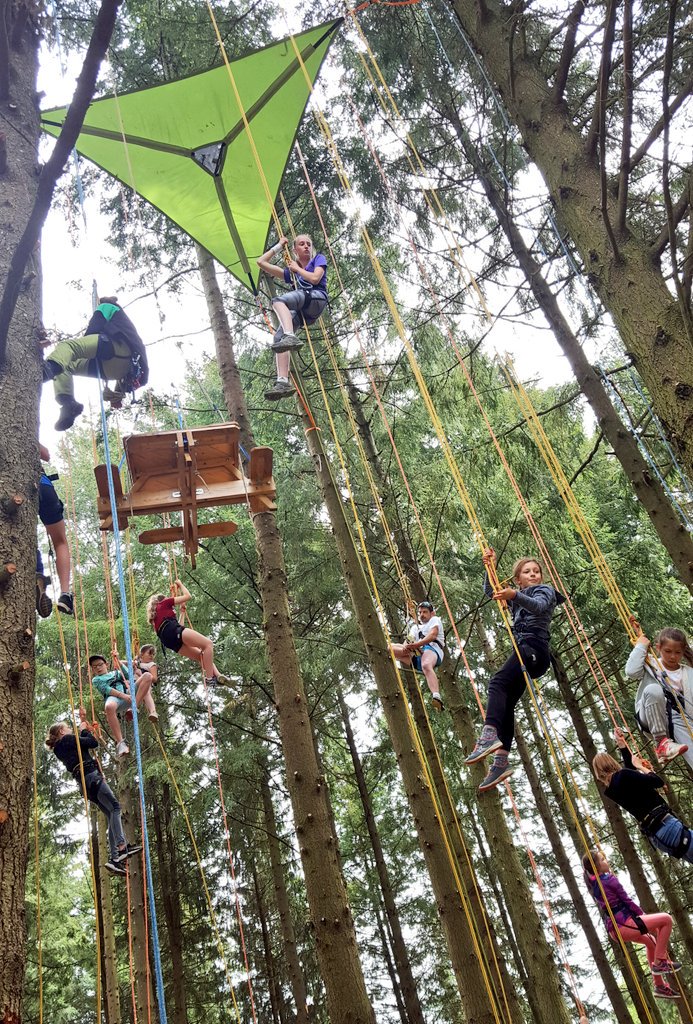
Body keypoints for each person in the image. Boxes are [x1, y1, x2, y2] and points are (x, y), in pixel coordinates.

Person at [465, 548, 565, 792]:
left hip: (534, 648)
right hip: (527, 653)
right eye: (526, 572)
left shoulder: (545, 591)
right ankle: (500, 761)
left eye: (536, 571)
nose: (533, 575)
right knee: (506, 701)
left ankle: (489, 734)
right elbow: (491, 592)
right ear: (518, 579)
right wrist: (490, 567)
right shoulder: (517, 595)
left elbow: (539, 607)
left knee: (497, 683)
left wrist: (514, 595)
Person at [46, 720, 142, 875]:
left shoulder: (59, 749)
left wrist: (83, 728)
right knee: (115, 808)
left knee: (111, 813)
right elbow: (92, 743)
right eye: (68, 728)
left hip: (85, 785)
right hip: (91, 776)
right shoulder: (68, 739)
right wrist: (84, 730)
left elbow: (84, 746)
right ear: (62, 732)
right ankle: (121, 847)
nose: (71, 729)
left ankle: (115, 859)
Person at [582, 848, 681, 999]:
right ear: (596, 867)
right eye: (602, 860)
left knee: (651, 941)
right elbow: (626, 900)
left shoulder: (594, 884)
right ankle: (660, 961)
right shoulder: (609, 881)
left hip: (615, 929)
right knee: (666, 919)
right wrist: (642, 915)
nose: (606, 861)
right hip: (624, 924)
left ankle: (659, 985)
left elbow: (594, 877)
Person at [42, 296, 149, 430]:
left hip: (116, 350)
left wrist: (84, 348)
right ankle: (68, 404)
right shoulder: (124, 322)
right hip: (118, 368)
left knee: (68, 347)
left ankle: (47, 370)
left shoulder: (107, 307)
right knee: (66, 364)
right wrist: (117, 395)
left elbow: (94, 328)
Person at [593, 728, 693, 864]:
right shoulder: (623, 776)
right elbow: (657, 781)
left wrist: (622, 745)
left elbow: (630, 775)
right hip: (667, 825)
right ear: (610, 762)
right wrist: (641, 767)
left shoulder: (612, 790)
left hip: (658, 837)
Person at [256, 234, 328, 401]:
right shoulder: (291, 273)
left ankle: (290, 335)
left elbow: (315, 278)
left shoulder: (318, 259)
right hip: (305, 311)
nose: (306, 247)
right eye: (301, 244)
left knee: (279, 301)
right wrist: (279, 246)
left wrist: (297, 269)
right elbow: (261, 263)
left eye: (309, 244)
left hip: (316, 297)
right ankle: (282, 382)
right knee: (278, 338)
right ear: (295, 250)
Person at [626, 625, 692, 768]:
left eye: (677, 652)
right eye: (667, 651)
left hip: (679, 720)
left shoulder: (688, 673)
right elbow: (631, 672)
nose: (672, 656)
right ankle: (661, 743)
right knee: (653, 689)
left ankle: (668, 745)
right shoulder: (651, 662)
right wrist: (641, 646)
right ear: (658, 648)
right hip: (651, 715)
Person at [146, 580, 230, 687]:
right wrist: (180, 584)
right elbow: (188, 596)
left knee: (201, 656)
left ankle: (217, 676)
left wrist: (182, 613)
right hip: (173, 632)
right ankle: (209, 678)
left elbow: (179, 628)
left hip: (170, 641)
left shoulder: (156, 618)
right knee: (208, 644)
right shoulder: (164, 603)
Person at [89, 654, 157, 758]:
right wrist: (124, 696)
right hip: (115, 698)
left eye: (100, 665)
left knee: (147, 676)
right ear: (92, 669)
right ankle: (120, 743)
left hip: (128, 693)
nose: (98, 668)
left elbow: (129, 674)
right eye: (94, 667)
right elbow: (107, 689)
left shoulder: (116, 673)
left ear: (106, 664)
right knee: (109, 707)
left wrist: (118, 662)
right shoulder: (96, 680)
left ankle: (135, 706)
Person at [37, 444, 73, 614]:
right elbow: (46, 454)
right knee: (60, 541)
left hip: (13, 487)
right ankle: (65, 593)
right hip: (43, 484)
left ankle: (37, 574)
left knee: (22, 538)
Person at [391, 599, 445, 711]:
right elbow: (408, 642)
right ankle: (386, 648)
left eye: (425, 612)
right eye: (420, 612)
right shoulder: (415, 628)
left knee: (426, 665)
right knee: (393, 649)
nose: (422, 615)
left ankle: (436, 695)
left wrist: (417, 645)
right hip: (417, 655)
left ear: (432, 613)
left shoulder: (435, 620)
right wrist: (407, 646)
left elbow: (432, 636)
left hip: (432, 649)